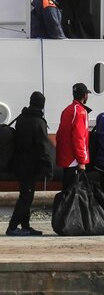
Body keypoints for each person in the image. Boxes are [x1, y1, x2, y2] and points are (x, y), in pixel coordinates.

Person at [6, 92, 53, 236]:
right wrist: (48, 168)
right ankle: (12, 227)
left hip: (19, 164)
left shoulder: (22, 118)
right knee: (26, 198)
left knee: (25, 195)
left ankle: (25, 226)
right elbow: (43, 147)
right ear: (42, 105)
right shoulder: (38, 122)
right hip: (30, 166)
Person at [55, 83, 92, 191]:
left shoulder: (68, 110)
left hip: (66, 157)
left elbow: (60, 133)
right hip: (73, 159)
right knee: (72, 191)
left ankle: (64, 207)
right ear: (85, 96)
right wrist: (82, 161)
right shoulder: (81, 112)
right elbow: (79, 137)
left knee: (67, 189)